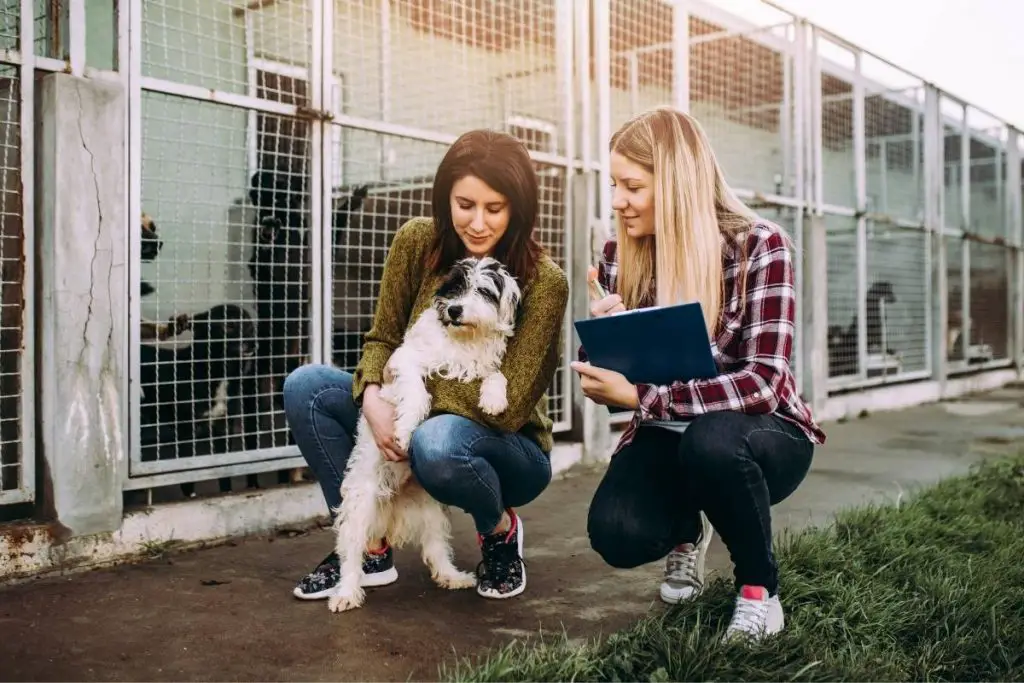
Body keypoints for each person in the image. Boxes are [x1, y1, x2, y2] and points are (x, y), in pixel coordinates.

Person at [571, 106, 826, 643]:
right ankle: (690, 526)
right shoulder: (621, 251)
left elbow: (761, 383)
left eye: (632, 186)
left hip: (760, 434)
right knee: (616, 534)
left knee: (712, 442)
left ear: (678, 183)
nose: (617, 200)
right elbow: (611, 387)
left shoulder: (760, 245)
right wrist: (604, 347)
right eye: (614, 184)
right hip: (667, 434)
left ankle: (760, 591)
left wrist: (643, 396)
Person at [283, 129, 569, 602]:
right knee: (307, 386)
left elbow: (508, 404)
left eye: (494, 209)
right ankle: (367, 547)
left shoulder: (544, 281)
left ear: (518, 208)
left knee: (436, 441)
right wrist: (373, 396)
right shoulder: (417, 242)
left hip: (506, 446)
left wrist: (412, 407)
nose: (477, 223)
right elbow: (382, 338)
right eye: (464, 204)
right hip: (401, 402)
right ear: (445, 198)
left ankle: (498, 530)